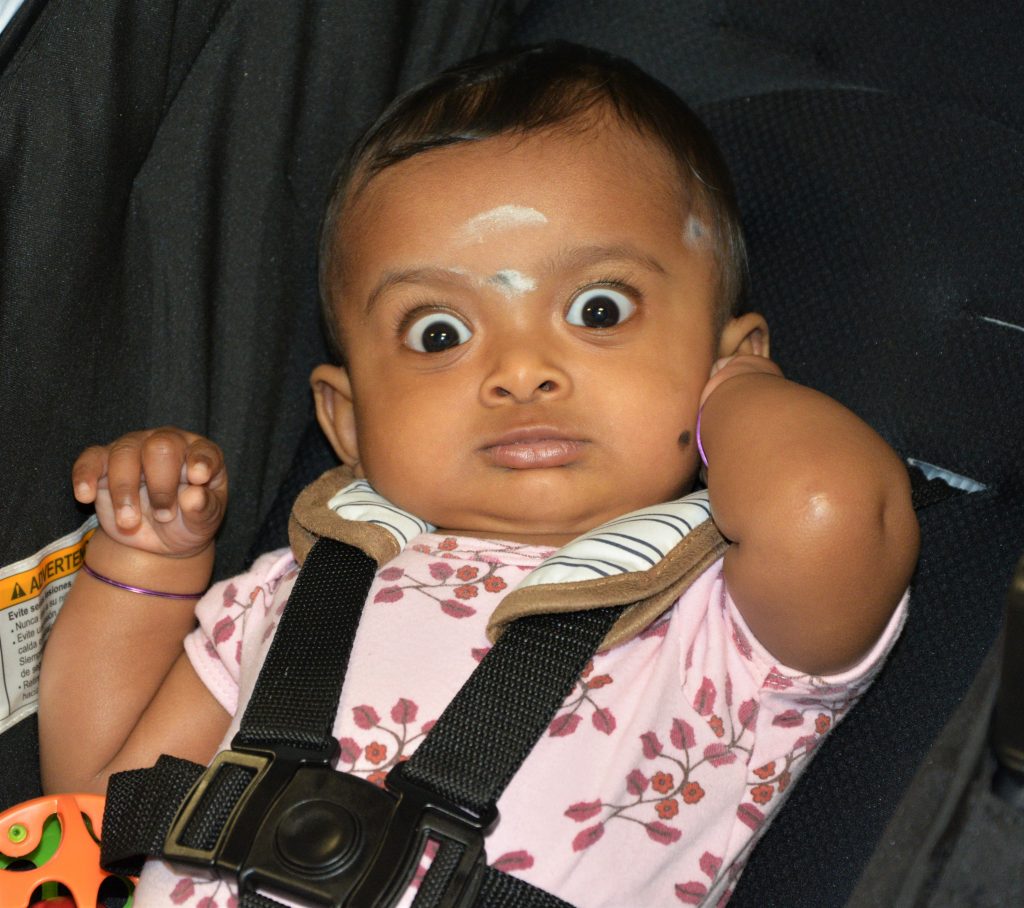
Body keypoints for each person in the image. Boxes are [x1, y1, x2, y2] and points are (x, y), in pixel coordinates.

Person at [38, 43, 919, 907]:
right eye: (439, 334)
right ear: (346, 420)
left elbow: (831, 510)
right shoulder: (290, 596)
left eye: (598, 310)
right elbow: (95, 803)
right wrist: (146, 562)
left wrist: (735, 395)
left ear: (729, 369)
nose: (520, 370)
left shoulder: (730, 628)